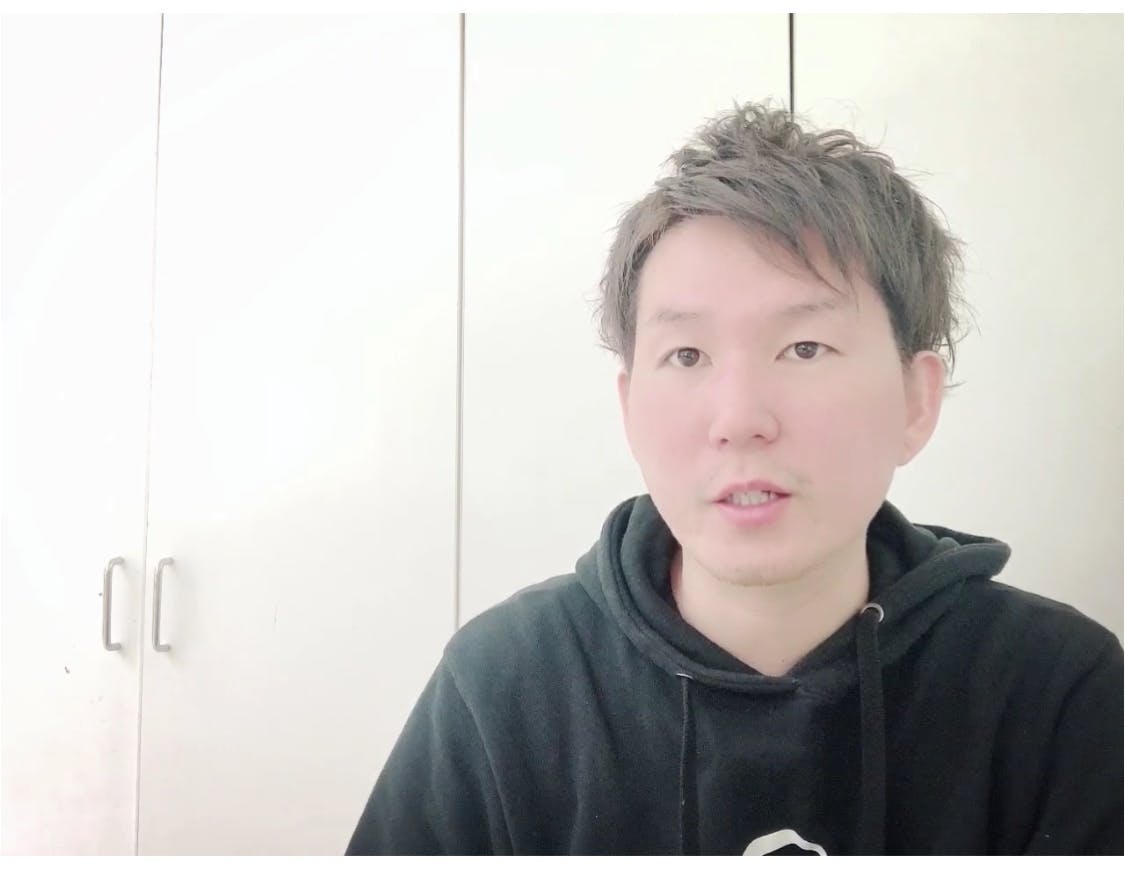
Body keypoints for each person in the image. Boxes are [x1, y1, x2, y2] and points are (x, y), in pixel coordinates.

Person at [345, 101, 1124, 855]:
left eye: (804, 348)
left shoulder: (1057, 693)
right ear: (629, 407)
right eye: (686, 355)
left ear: (915, 400)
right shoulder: (506, 686)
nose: (738, 417)